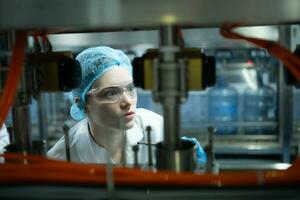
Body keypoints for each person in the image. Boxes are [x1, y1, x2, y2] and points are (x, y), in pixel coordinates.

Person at [48, 46, 206, 166]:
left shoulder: (154, 126)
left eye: (130, 89)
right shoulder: (61, 158)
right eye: (111, 93)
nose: (128, 102)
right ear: (81, 102)